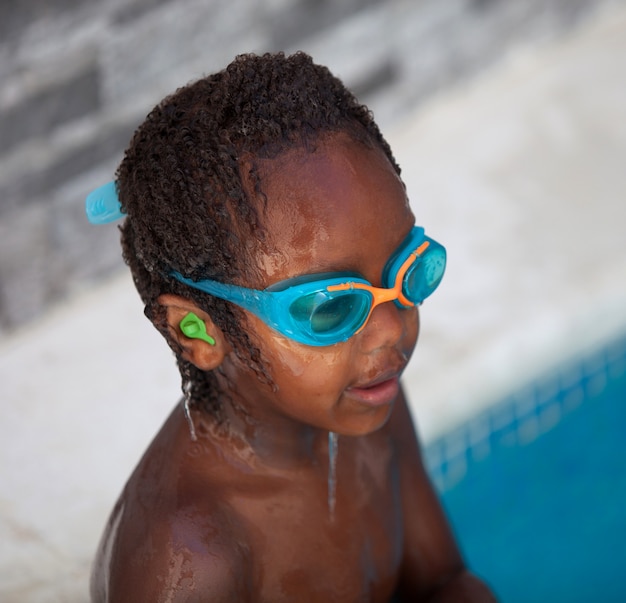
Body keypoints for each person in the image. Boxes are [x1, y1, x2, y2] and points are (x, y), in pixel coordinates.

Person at [87, 51, 495, 602]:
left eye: (409, 273)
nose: (389, 331)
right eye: (329, 308)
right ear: (199, 332)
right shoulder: (190, 557)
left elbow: (445, 583)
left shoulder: (369, 407)